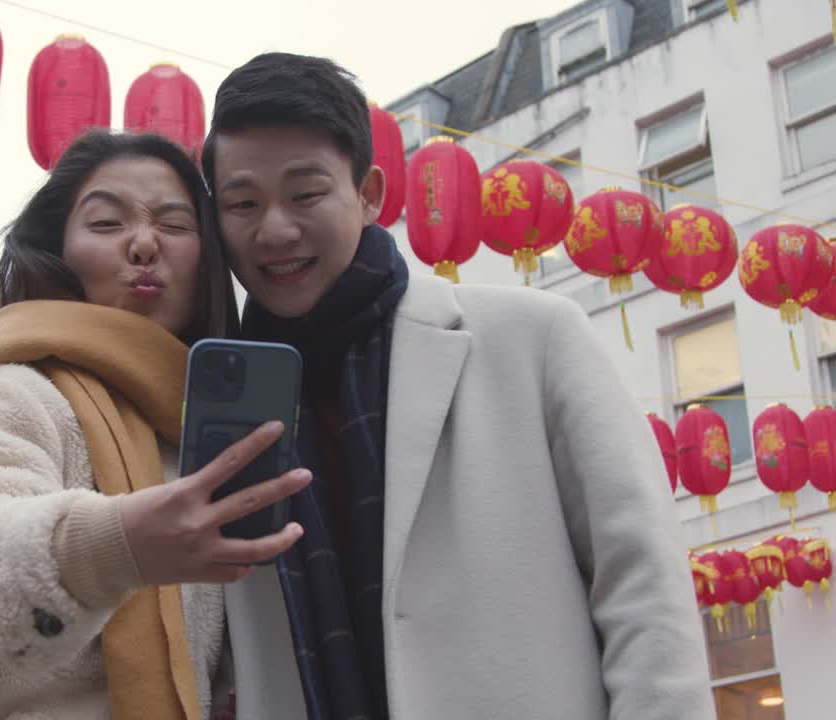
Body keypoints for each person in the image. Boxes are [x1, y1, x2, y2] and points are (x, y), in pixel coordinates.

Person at [200, 53, 714, 720]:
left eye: (305, 194)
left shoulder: (534, 338)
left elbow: (645, 585)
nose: (274, 229)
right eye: (242, 203)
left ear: (370, 194)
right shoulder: (224, 405)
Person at [0, 130, 311, 720]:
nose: (145, 243)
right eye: (107, 224)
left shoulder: (200, 433)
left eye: (176, 225)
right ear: (58, 250)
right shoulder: (18, 387)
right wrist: (108, 546)